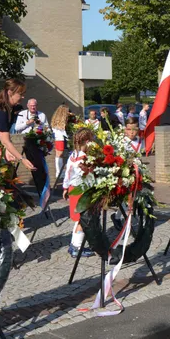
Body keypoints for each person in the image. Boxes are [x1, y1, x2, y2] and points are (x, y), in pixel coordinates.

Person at [63, 127, 96, 258]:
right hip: (81, 190)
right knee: (83, 220)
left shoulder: (73, 155)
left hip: (72, 188)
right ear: (87, 141)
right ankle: (76, 247)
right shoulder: (84, 158)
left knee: (79, 220)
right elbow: (86, 175)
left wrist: (65, 187)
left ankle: (73, 245)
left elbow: (67, 173)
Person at [50, 104, 71, 183]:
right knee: (59, 154)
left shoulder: (61, 119)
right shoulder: (59, 120)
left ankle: (61, 172)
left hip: (61, 137)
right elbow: (60, 129)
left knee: (61, 155)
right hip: (59, 138)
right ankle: (59, 172)